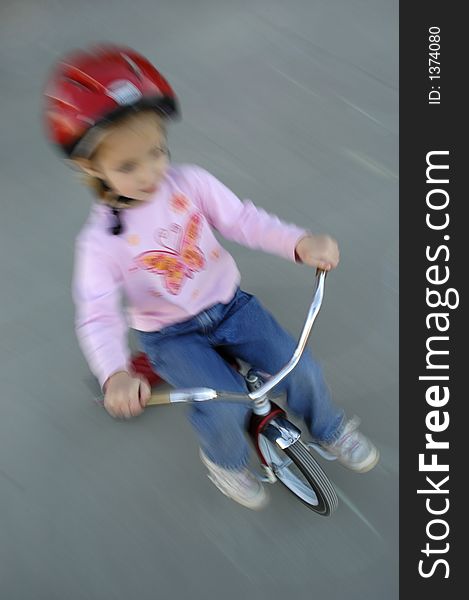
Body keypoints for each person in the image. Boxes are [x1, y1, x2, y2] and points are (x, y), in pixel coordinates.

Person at [43, 44, 379, 510]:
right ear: (90, 168)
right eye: (127, 166)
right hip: (170, 334)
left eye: (157, 151)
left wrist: (298, 243)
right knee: (222, 406)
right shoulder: (99, 243)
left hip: (230, 305)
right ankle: (225, 461)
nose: (150, 173)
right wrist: (114, 373)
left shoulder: (191, 183)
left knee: (300, 366)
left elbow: (244, 220)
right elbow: (98, 313)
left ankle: (328, 428)